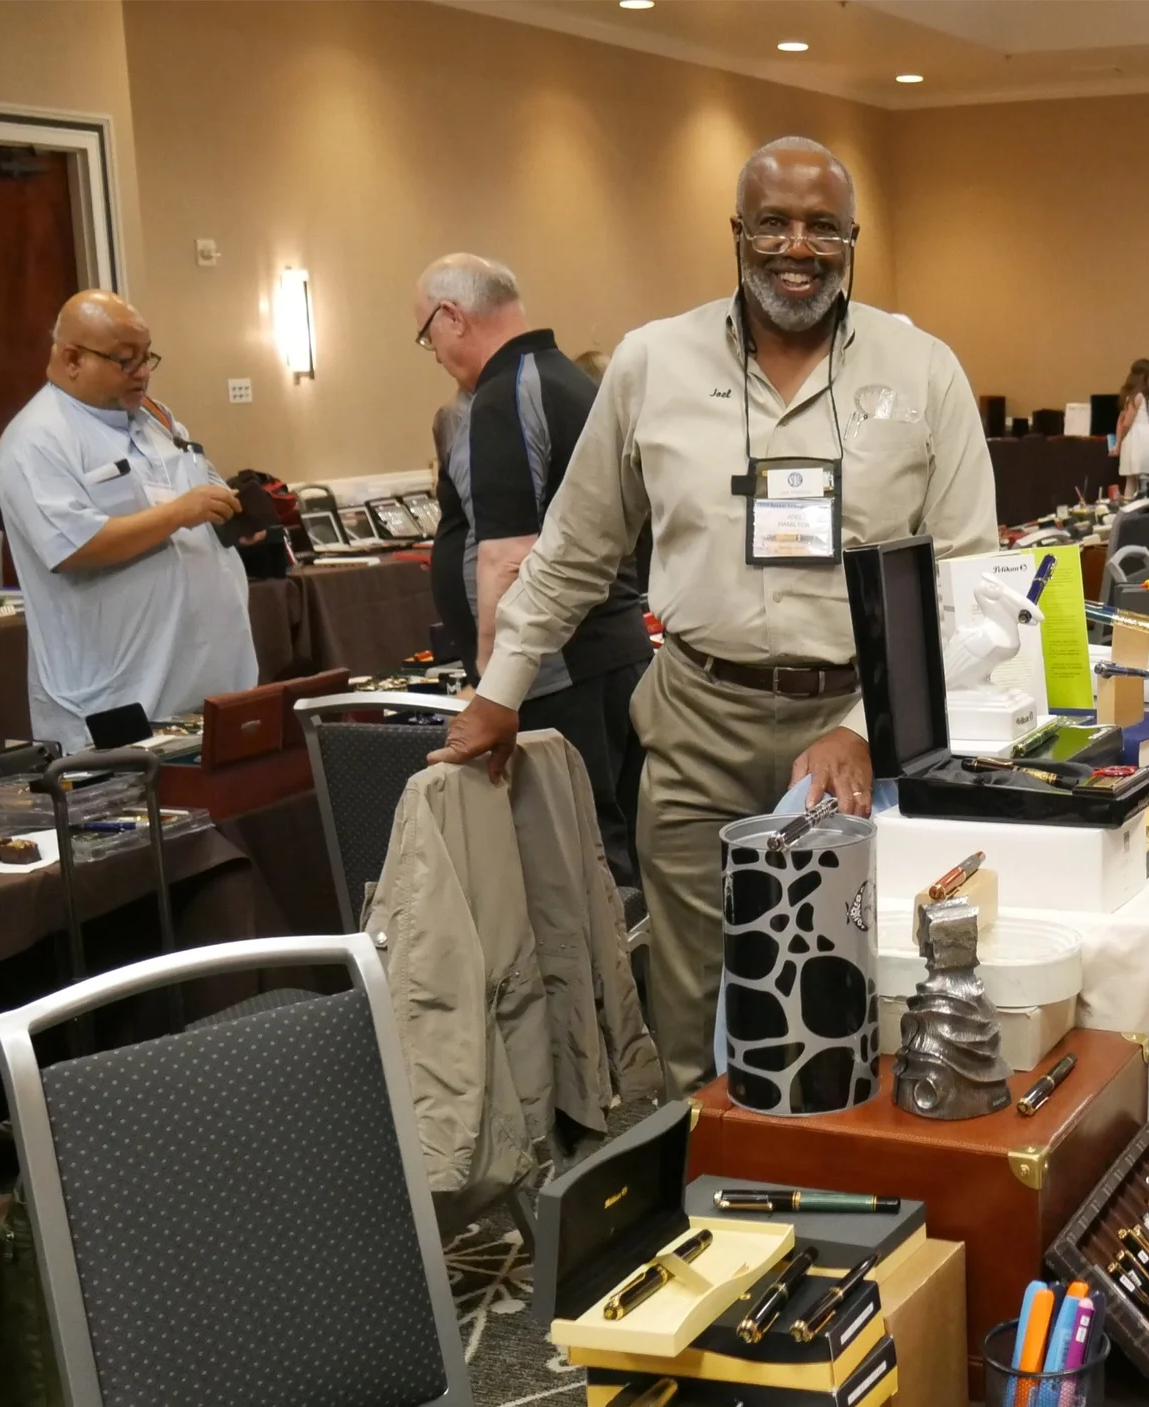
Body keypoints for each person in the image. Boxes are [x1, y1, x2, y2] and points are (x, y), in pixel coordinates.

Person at [431, 137, 999, 1096]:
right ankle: (705, 1176)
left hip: (861, 735)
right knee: (692, 1014)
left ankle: (835, 1177)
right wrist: (501, 690)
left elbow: (968, 586)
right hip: (696, 726)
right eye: (773, 222)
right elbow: (573, 549)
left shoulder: (924, 370)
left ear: (852, 239)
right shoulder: (652, 363)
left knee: (853, 1000)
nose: (797, 247)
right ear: (737, 231)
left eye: (822, 227)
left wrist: (863, 729)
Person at [415, 253, 651, 887]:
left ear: (452, 316)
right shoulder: (565, 378)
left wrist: (491, 685)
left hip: (560, 669)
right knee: (615, 844)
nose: (434, 354)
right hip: (605, 654)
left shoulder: (505, 395)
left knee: (576, 861)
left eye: (427, 335)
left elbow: (510, 556)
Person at [0, 290, 255, 749]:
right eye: (125, 360)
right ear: (72, 359)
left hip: (210, 682)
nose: (143, 372)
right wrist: (179, 513)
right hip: (121, 694)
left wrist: (232, 517)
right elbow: (74, 547)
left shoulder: (157, 418)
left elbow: (203, 493)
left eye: (147, 356)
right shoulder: (36, 439)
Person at [1115, 357, 1149, 496]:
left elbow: (1125, 422)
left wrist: (1119, 442)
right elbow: (1126, 422)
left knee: (1131, 481)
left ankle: (1130, 506)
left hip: (1135, 439)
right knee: (1144, 479)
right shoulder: (1144, 397)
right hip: (1145, 438)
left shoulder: (1135, 397)